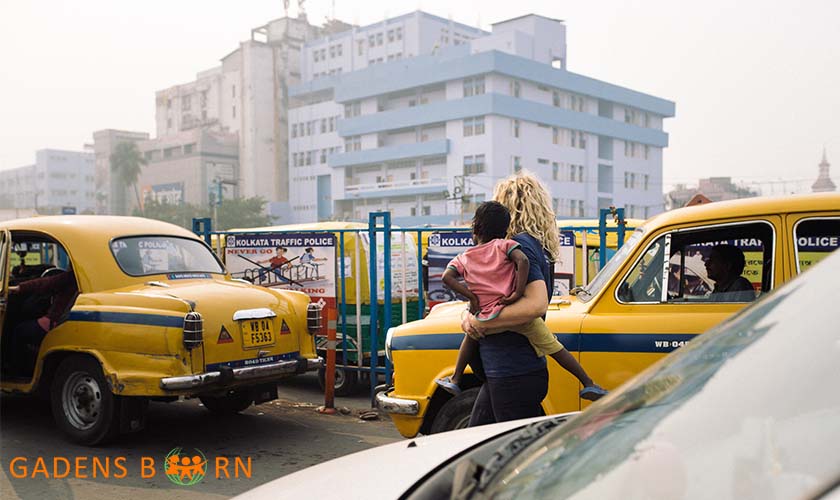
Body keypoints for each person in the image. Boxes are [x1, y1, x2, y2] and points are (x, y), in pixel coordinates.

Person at [461, 172, 607, 427]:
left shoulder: (520, 246)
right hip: (508, 371)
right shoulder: (525, 247)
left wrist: (481, 323)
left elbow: (536, 304)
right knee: (479, 444)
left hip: (513, 371)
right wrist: (470, 316)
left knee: (509, 453)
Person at [436, 201, 606, 403]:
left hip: (486, 319)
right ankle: (588, 383)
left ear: (475, 227)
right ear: (506, 229)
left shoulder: (464, 257)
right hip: (515, 315)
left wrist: (472, 298)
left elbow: (447, 277)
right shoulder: (505, 246)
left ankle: (455, 378)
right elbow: (523, 261)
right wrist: (516, 293)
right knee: (554, 347)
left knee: (470, 336)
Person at [7, 267, 78, 377]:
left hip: (55, 323)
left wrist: (20, 287)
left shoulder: (71, 277)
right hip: (69, 323)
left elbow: (47, 283)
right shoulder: (89, 278)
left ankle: (17, 371)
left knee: (19, 331)